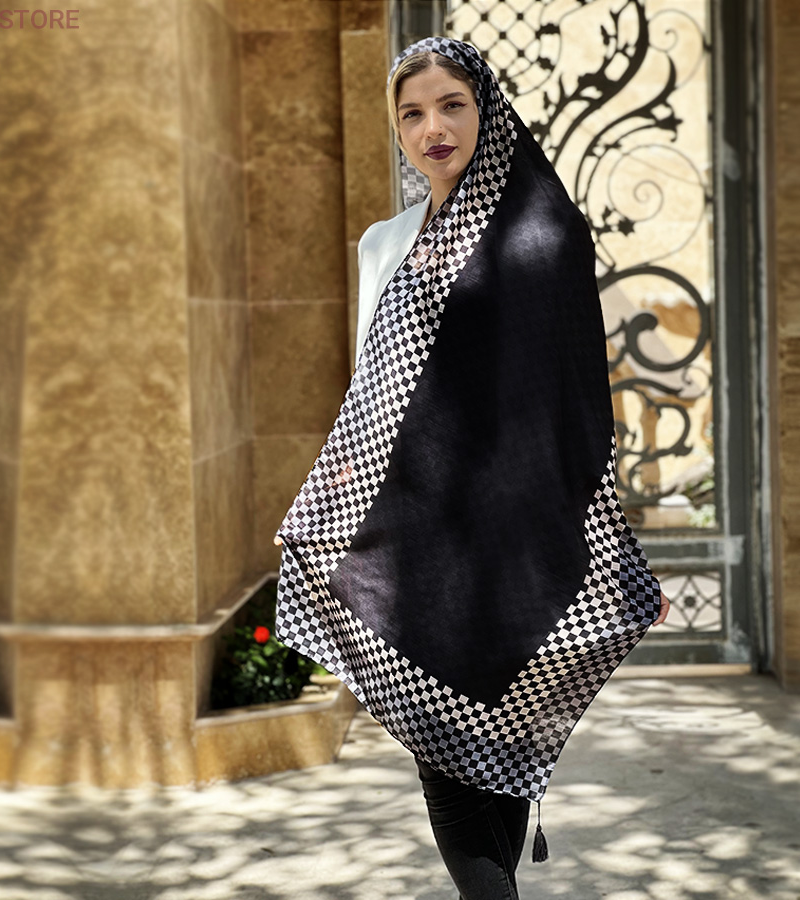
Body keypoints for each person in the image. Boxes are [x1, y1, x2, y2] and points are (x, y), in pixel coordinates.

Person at [273, 36, 670, 900]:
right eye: (412, 113)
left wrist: (603, 544)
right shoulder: (383, 243)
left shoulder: (543, 234)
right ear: (397, 130)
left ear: (485, 110)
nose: (434, 128)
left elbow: (572, 396)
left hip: (514, 533)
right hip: (416, 533)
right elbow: (374, 388)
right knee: (443, 759)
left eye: (452, 104)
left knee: (504, 745)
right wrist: (336, 491)